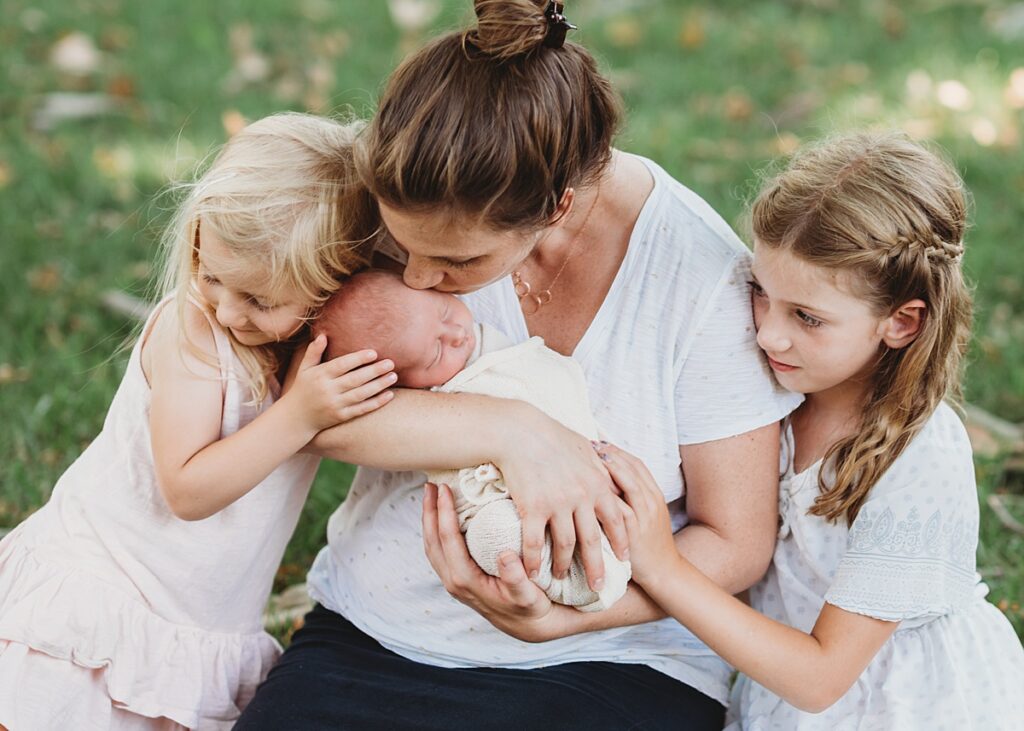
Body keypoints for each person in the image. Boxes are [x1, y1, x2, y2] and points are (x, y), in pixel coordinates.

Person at [237, 2, 800, 729]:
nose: (414, 279)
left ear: (558, 205)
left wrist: (563, 621)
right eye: (406, 251)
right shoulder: (406, 198)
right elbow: (310, 411)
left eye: (456, 261)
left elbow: (737, 540)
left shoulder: (696, 277)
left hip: (613, 656)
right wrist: (512, 431)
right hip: (379, 632)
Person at [602, 132, 1024, 729]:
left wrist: (663, 567)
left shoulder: (918, 454)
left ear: (901, 322)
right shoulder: (769, 398)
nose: (769, 335)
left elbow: (822, 677)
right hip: (784, 692)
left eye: (807, 316)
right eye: (760, 293)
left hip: (902, 707)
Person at [0, 113, 395, 730]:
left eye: (260, 300)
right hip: (108, 593)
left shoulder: (311, 352)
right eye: (210, 274)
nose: (227, 309)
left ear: (334, 283)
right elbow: (185, 488)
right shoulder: (192, 332)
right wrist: (297, 415)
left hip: (200, 617)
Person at [318, 269, 631, 611]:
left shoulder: (497, 350)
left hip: (584, 484)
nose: (455, 335)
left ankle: (592, 572)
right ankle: (557, 578)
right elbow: (316, 413)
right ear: (402, 384)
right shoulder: (436, 402)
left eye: (445, 313)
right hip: (487, 509)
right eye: (435, 354)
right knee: (494, 537)